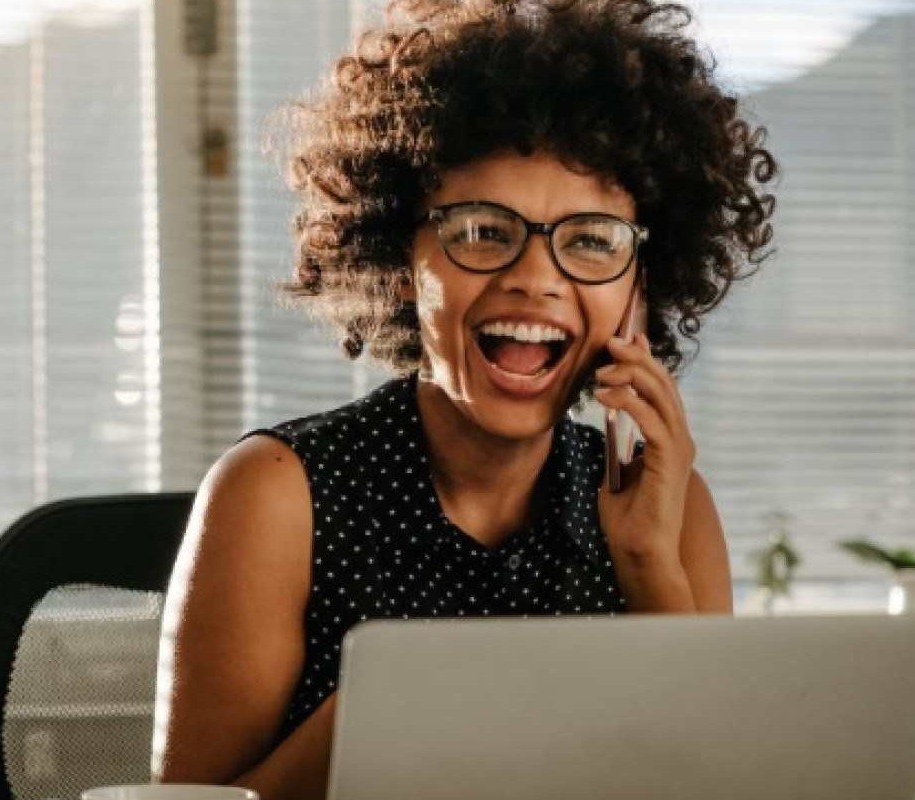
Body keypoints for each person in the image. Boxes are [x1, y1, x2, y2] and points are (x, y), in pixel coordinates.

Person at [153, 0, 777, 798]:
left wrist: (649, 564)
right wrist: (403, 700)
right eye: (482, 231)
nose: (535, 276)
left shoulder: (673, 513)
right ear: (399, 257)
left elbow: (712, 784)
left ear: (640, 293)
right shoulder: (277, 493)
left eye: (590, 240)